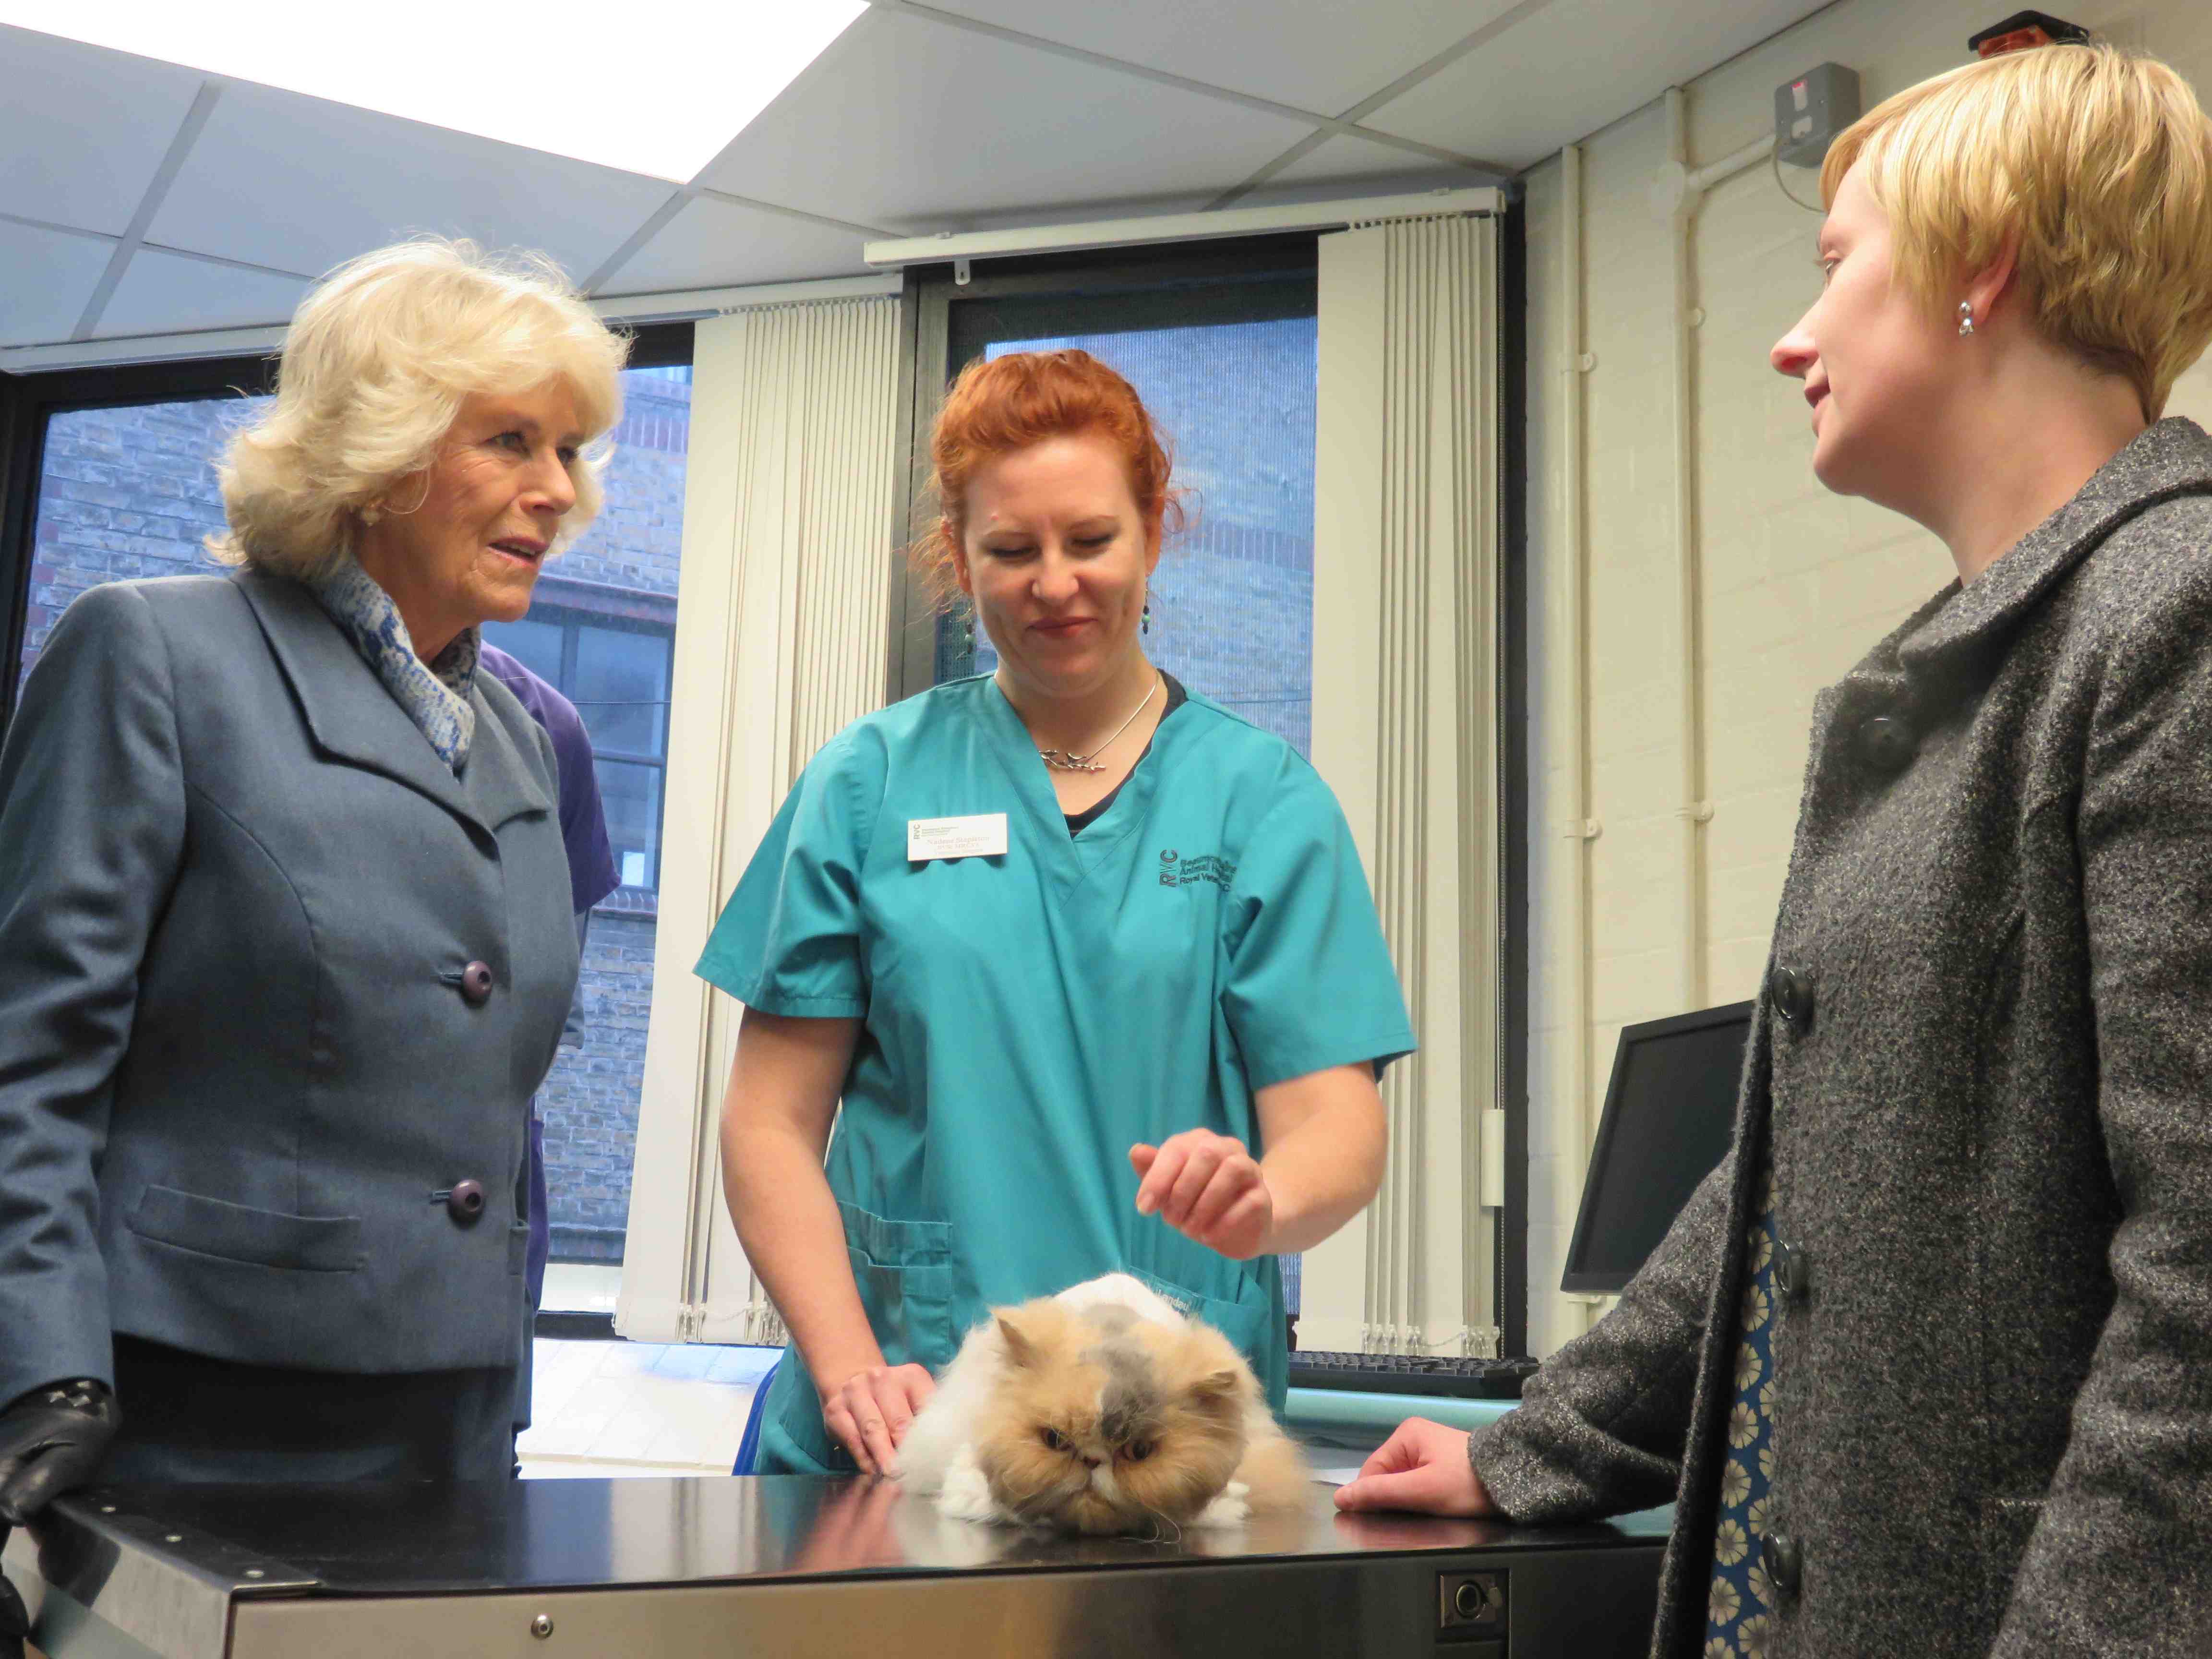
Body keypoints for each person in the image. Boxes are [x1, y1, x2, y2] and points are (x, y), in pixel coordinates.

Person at [1335, 43, 2212, 1659]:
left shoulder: (2172, 613)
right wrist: (1530, 1447)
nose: (1785, 335)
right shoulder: (1962, 667)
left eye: (1831, 267)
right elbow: (1789, 1167)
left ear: (1981, 263)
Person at [700, 349, 1416, 1477]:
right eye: (1010, 550)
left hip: (1165, 1437)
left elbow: (1338, 1126)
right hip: (906, 1407)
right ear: (958, 557)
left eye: (1090, 541)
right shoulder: (869, 784)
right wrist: (847, 1366)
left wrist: (1263, 1201)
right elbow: (768, 1125)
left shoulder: (1262, 801)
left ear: (1154, 533)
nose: (1054, 583)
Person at [0, 237, 628, 1514]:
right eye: (510, 442)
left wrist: (499, 1393)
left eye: (567, 449)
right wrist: (39, 1370)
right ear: (381, 454)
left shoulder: (531, 737)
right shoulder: (158, 654)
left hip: (445, 1421)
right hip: (178, 1406)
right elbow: (29, 1063)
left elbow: (495, 1121)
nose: (557, 489)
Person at [475, 639, 621, 1443]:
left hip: (490, 1193)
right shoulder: (174, 655)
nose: (555, 502)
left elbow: (546, 986)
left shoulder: (544, 724)